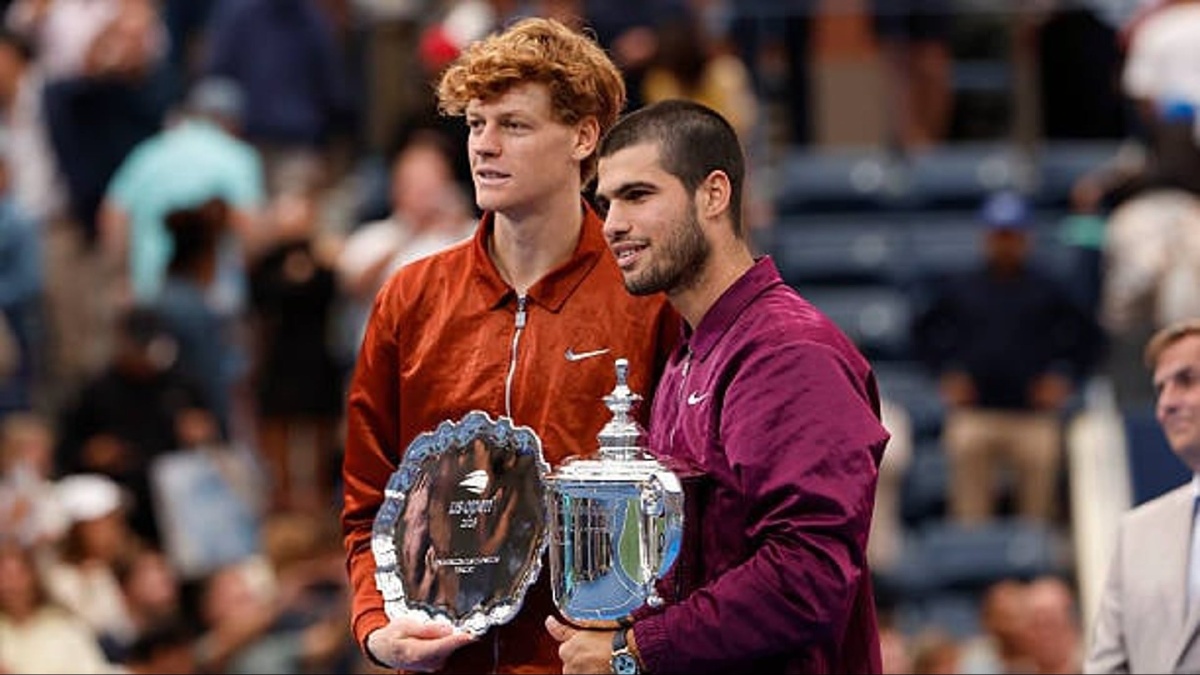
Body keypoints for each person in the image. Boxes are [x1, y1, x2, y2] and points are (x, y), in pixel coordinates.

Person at [339, 17, 679, 674]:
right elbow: (368, 499)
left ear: (583, 137)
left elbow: (684, 502)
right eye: (474, 124)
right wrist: (378, 625)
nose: (484, 147)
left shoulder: (649, 295)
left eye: (513, 126)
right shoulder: (409, 296)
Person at [546, 99, 891, 673]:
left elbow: (808, 574)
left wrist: (633, 653)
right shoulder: (690, 354)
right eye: (605, 204)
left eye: (638, 195)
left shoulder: (787, 352)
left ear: (713, 194)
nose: (612, 225)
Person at [911, 190, 1104, 526]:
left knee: (1038, 511)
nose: (1005, 242)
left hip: (1032, 416)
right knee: (968, 506)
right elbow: (922, 332)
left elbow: (1090, 338)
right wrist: (944, 374)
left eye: (1012, 234)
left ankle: (1034, 565)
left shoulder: (1048, 288)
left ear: (1026, 237)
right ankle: (971, 568)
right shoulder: (961, 286)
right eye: (998, 234)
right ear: (986, 237)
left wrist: (1066, 380)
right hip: (975, 414)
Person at [1084, 317, 1200, 673]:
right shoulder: (1138, 532)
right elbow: (1106, 666)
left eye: (1186, 380)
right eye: (1160, 389)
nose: (1166, 404)